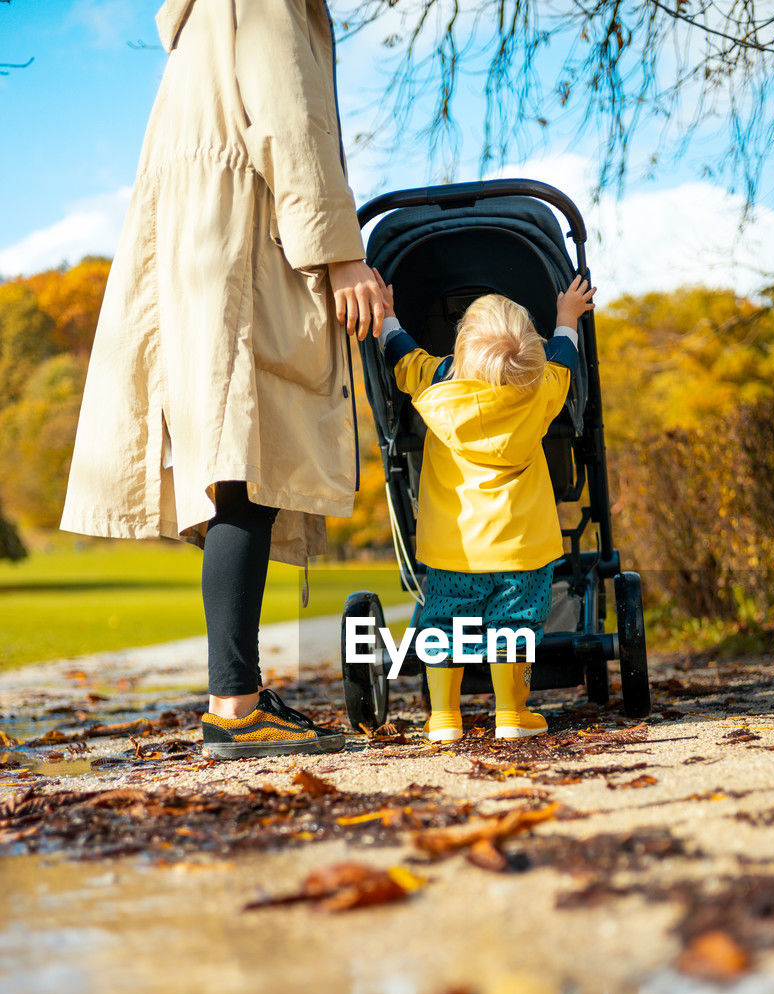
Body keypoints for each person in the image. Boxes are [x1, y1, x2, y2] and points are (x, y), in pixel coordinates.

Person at [60, 0, 385, 759]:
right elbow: (291, 124)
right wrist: (341, 251)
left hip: (191, 251)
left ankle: (234, 695)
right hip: (244, 242)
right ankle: (236, 706)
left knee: (233, 467)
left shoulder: (196, 22)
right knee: (248, 463)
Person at [374, 271, 595, 741]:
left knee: (444, 626)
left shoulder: (436, 386)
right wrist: (566, 318)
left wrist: (388, 315)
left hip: (454, 549)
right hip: (522, 549)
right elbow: (564, 356)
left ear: (461, 351)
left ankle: (444, 718)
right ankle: (512, 715)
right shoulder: (541, 389)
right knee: (514, 626)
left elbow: (401, 352)